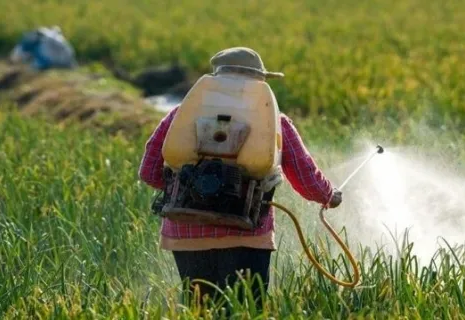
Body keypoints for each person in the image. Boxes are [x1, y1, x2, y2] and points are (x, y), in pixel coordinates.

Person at [138, 47, 342, 310]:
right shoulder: (276, 123)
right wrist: (329, 196)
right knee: (246, 311)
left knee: (201, 311)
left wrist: (190, 185)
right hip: (246, 232)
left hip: (185, 233)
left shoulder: (180, 115)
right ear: (259, 83)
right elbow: (306, 177)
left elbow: (149, 172)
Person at [9, 26, 77, 70]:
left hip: (58, 62)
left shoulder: (43, 42)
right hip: (67, 61)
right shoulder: (55, 38)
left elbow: (44, 62)